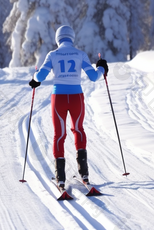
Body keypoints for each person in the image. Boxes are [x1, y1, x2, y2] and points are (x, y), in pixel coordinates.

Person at [29, 25, 108, 188]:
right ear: (72, 38)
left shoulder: (53, 55)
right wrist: (101, 67)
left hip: (58, 98)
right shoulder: (80, 54)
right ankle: (84, 174)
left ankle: (61, 177)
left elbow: (41, 76)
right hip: (76, 98)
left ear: (58, 39)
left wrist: (35, 77)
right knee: (78, 129)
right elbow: (93, 77)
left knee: (59, 135)